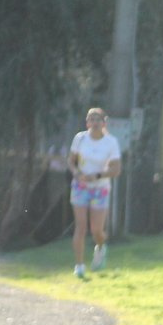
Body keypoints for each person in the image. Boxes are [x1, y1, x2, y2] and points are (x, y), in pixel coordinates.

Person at [68, 107, 122, 278]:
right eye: (91, 119)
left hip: (100, 188)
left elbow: (116, 170)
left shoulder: (111, 142)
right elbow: (71, 161)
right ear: (87, 123)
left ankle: (100, 247)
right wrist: (77, 173)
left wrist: (97, 175)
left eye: (98, 119)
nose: (95, 123)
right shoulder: (80, 138)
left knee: (96, 229)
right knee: (81, 226)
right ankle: (80, 265)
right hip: (80, 186)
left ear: (104, 123)